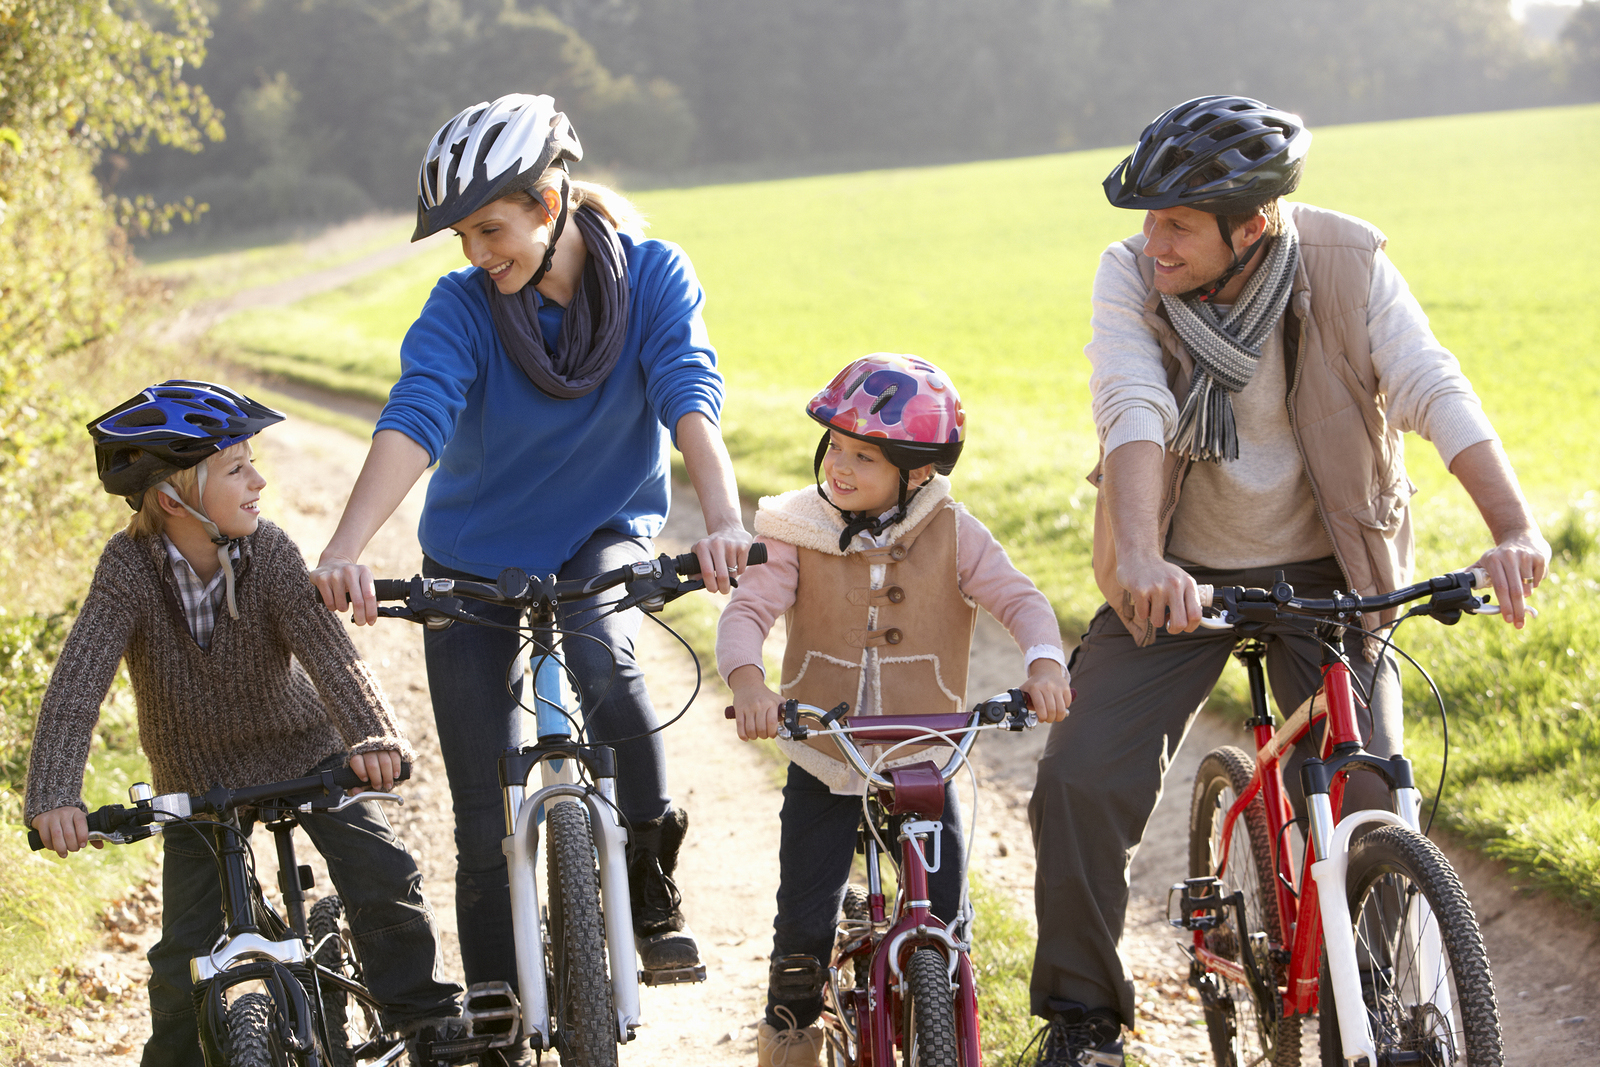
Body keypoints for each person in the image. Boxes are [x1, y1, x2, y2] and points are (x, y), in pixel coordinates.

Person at [1025, 95, 1552, 1066]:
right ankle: (1083, 1014)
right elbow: (1132, 400)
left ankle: (1385, 1002)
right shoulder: (1129, 278)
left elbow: (1430, 383)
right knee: (1080, 771)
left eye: (1176, 222)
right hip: (1175, 569)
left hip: (1329, 565)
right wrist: (1139, 556)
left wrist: (1511, 527)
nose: (1151, 242)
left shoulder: (1348, 266)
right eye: (1147, 218)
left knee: (1368, 785)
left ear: (1252, 224)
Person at [307, 93, 752, 1010]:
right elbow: (416, 414)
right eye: (463, 237)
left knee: (607, 659)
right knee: (482, 816)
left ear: (550, 205)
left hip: (599, 533)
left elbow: (688, 395)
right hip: (471, 558)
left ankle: (650, 889)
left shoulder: (657, 275)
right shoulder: (463, 307)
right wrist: (346, 544)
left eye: (489, 229)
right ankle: (498, 1000)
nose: (477, 254)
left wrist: (722, 518)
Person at [24, 380, 461, 1067]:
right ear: (173, 498)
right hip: (199, 780)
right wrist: (54, 793)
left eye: (252, 462)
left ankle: (427, 1021)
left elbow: (331, 657)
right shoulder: (127, 569)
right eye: (236, 469)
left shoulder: (272, 553)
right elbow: (78, 683)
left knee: (382, 872)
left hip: (304, 752)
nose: (259, 480)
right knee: (182, 956)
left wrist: (371, 734)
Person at [717, 353, 1074, 1067]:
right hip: (826, 753)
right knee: (804, 921)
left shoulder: (952, 528)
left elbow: (1020, 597)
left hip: (922, 755)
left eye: (865, 457)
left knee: (942, 915)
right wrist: (751, 682)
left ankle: (933, 1019)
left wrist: (1043, 661)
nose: (841, 467)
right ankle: (789, 1041)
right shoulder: (797, 527)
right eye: (837, 448)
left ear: (918, 474)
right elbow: (748, 608)